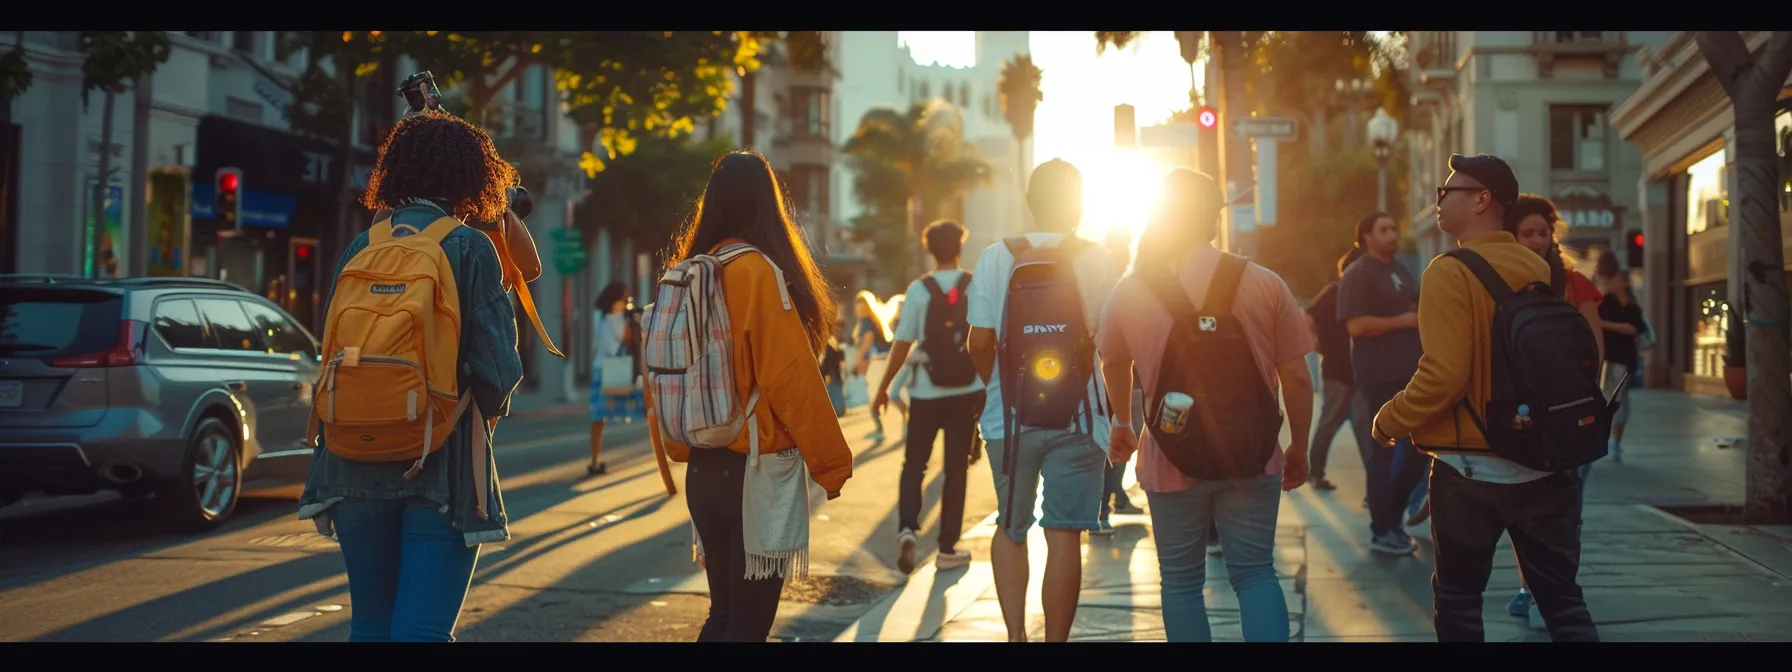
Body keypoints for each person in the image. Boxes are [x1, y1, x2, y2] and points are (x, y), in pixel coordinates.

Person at [297, 110, 527, 642]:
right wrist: (476, 415)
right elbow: (499, 370)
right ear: (473, 176)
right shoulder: (469, 247)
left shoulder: (364, 245)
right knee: (420, 632)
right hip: (437, 466)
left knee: (371, 626)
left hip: (350, 462)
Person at [1372, 153, 1599, 642]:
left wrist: (1389, 420)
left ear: (1480, 200)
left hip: (1471, 467)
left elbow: (1443, 374)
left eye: (1446, 192)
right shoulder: (1536, 265)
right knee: (1563, 602)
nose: (1439, 201)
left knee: (1459, 603)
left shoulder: (1449, 270)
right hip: (1544, 459)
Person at [1098, 169, 1314, 642]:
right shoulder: (1264, 283)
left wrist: (1121, 421)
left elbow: (1112, 360)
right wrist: (1298, 445)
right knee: (1256, 573)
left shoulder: (1131, 290)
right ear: (1214, 218)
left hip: (1169, 456)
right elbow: (1297, 375)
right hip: (1251, 454)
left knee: (1180, 583)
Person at [659, 150, 854, 642]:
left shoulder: (691, 270)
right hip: (754, 472)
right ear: (768, 205)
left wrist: (681, 447)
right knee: (747, 625)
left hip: (704, 468)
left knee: (722, 617)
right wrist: (830, 465)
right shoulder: (757, 273)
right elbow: (791, 376)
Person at [965, 159, 1118, 643]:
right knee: (1064, 533)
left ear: (1030, 204)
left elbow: (979, 342)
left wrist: (999, 389)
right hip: (1080, 418)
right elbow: (1112, 346)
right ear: (1078, 204)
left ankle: (1015, 638)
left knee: (1010, 527)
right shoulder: (1099, 260)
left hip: (1008, 421)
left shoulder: (995, 257)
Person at [1503, 193, 1606, 618]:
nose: (1536, 240)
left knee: (1567, 507)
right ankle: (1530, 589)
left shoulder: (1574, 283)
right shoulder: (1504, 283)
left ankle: (1555, 587)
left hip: (1570, 413)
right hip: (1524, 413)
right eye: (1526, 233)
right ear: (1512, 236)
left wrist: (1587, 404)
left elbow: (1594, 349)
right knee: (1524, 506)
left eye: (1542, 232)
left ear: (1552, 234)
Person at [873, 219, 985, 574]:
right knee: (956, 469)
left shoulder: (919, 291)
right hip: (966, 392)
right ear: (960, 248)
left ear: (929, 250)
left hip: (925, 392)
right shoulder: (976, 286)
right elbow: (988, 339)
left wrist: (883, 388)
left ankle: (907, 529)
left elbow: (902, 344)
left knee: (914, 465)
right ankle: (947, 548)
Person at [1337, 211, 1425, 555]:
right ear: (1366, 237)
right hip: (1380, 377)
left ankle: (1393, 520)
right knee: (1384, 454)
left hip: (1411, 376)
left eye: (1393, 228)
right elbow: (1356, 327)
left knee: (1420, 451)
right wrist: (1402, 320)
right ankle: (1382, 529)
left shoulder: (1400, 269)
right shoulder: (1358, 274)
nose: (1393, 235)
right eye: (1384, 230)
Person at [1304, 248, 1366, 491]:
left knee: (1367, 433)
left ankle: (1375, 491)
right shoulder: (1334, 292)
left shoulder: (1362, 297)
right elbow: (1307, 317)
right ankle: (1315, 473)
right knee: (1328, 424)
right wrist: (1315, 343)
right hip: (1337, 374)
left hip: (1360, 375)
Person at [588, 281, 643, 477]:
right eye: (623, 297)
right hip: (611, 370)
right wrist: (629, 323)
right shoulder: (611, 319)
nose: (625, 301)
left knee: (597, 419)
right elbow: (621, 341)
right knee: (599, 417)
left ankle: (595, 461)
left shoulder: (603, 317)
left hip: (605, 369)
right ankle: (594, 461)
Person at [1598, 268, 1645, 467]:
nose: (1613, 283)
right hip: (1609, 359)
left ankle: (1614, 442)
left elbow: (1634, 329)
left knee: (1617, 399)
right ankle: (1613, 442)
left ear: (1624, 282)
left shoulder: (1632, 306)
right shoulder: (1605, 301)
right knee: (1615, 399)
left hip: (1625, 360)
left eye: (1616, 279)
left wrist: (1606, 324)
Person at [852, 290, 895, 441]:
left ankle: (879, 429)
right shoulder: (875, 320)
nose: (859, 310)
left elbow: (867, 342)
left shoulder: (866, 322)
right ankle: (905, 418)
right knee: (885, 392)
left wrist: (855, 363)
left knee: (874, 396)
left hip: (876, 362)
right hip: (883, 360)